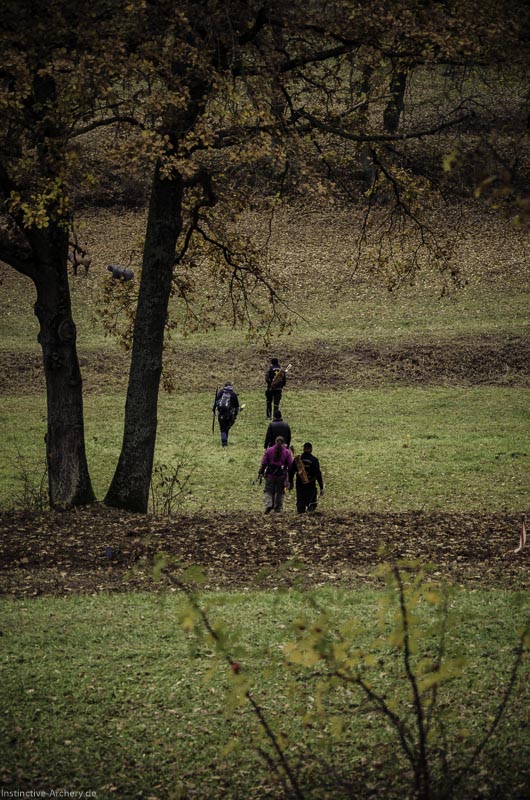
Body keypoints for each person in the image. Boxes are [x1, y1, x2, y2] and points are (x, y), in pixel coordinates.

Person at [258, 436, 294, 513]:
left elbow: (264, 463)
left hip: (270, 475)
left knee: (268, 490)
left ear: (275, 442)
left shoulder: (269, 450)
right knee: (280, 492)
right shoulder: (287, 452)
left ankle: (269, 504)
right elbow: (290, 465)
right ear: (283, 443)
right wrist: (290, 479)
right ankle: (278, 508)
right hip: (281, 476)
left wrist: (260, 472)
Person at [289, 442, 324, 513]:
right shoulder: (314, 460)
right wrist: (321, 487)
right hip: (310, 483)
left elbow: (291, 471)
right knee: (311, 501)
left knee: (300, 500)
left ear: (303, 449)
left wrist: (291, 482)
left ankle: (301, 512)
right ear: (311, 449)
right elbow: (318, 474)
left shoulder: (298, 459)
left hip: (300, 484)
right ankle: (310, 512)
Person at [213, 381, 239, 447]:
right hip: (229, 415)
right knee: (226, 428)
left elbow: (216, 402)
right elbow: (237, 406)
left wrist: (213, 409)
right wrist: (235, 415)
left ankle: (224, 442)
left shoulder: (221, 392)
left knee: (222, 429)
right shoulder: (233, 394)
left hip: (221, 413)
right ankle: (225, 441)